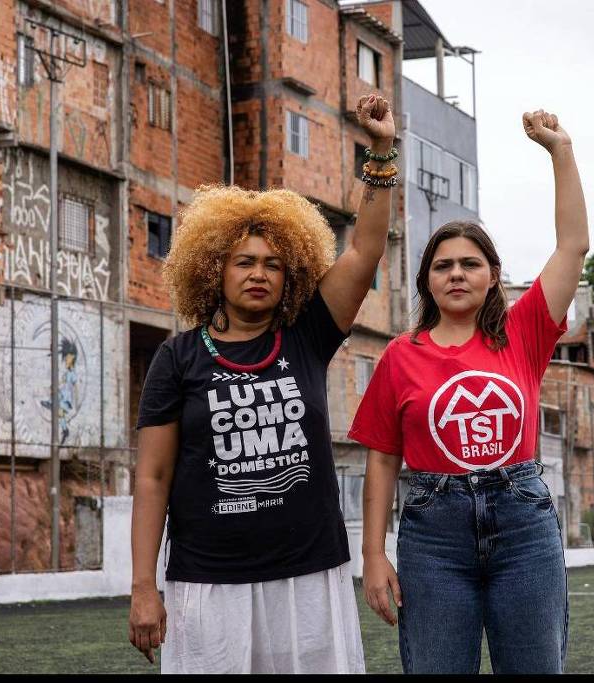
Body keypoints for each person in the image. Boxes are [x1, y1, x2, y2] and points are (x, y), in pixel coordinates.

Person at [129, 94, 397, 673]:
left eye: (273, 264)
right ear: (212, 269)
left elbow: (366, 248)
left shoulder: (307, 336)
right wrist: (143, 586)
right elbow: (152, 478)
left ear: (291, 274)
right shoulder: (176, 358)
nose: (258, 274)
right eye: (243, 261)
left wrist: (379, 152)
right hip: (207, 581)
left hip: (308, 576)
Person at [349, 109, 588, 674]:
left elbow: (573, 246)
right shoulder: (401, 355)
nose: (456, 274)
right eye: (443, 266)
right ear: (427, 280)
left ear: (491, 275)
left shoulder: (525, 333)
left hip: (524, 526)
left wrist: (561, 150)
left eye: (470, 264)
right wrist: (374, 552)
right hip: (434, 537)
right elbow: (382, 461)